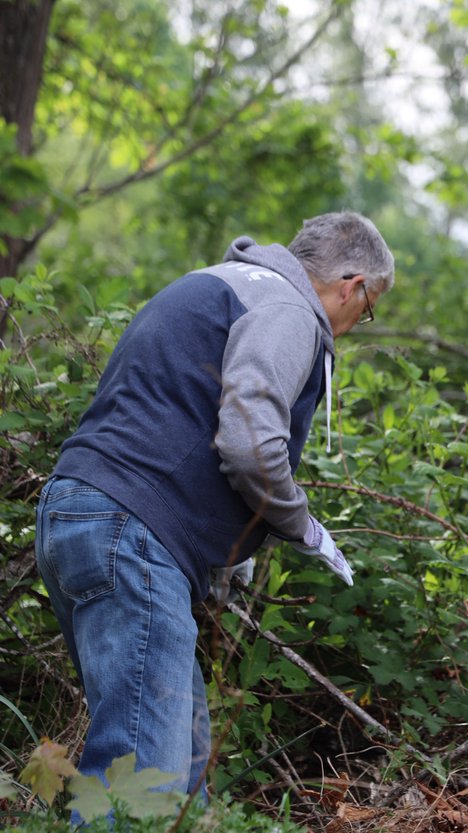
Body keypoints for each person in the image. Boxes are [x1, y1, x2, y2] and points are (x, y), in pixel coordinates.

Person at [34, 211, 394, 797]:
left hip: (76, 512)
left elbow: (173, 409)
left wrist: (226, 547)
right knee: (144, 782)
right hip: (133, 531)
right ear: (352, 287)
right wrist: (300, 525)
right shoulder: (288, 308)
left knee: (181, 768)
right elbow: (250, 445)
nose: (358, 323)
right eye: (369, 308)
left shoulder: (217, 283)